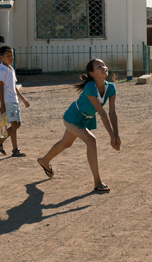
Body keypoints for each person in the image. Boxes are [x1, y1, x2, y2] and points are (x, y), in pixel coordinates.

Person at [37, 59, 121, 193]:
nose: (104, 67)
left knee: (65, 144)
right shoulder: (90, 87)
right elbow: (102, 113)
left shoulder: (111, 87)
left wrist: (116, 135)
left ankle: (44, 161)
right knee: (91, 141)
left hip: (85, 119)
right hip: (73, 117)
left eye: (104, 65)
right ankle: (97, 182)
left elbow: (112, 112)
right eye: (99, 67)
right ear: (92, 73)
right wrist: (111, 136)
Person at [0, 46, 30, 157]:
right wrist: (2, 105)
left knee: (18, 124)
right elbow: (0, 88)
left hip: (14, 101)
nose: (11, 58)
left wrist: (23, 100)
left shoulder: (11, 69)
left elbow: (14, 87)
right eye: (8, 56)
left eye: (12, 55)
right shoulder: (2, 71)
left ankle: (0, 142)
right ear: (1, 57)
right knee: (14, 124)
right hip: (8, 102)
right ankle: (15, 150)